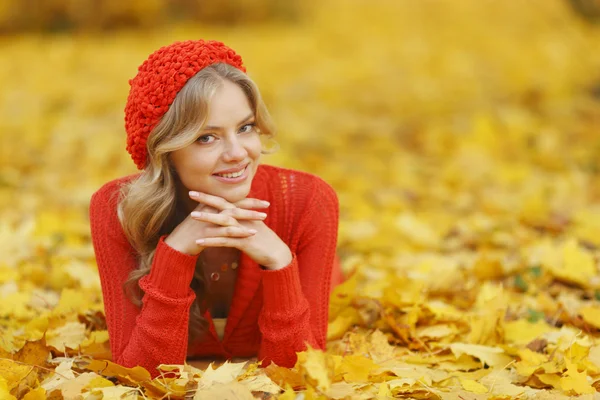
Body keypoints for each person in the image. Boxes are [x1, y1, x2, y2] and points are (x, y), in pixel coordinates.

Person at [89, 39, 343, 376]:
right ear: (165, 150)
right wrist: (176, 254)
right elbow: (140, 376)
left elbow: (302, 376)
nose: (238, 153)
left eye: (245, 127)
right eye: (206, 137)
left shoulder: (308, 201)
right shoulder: (119, 210)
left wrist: (280, 264)